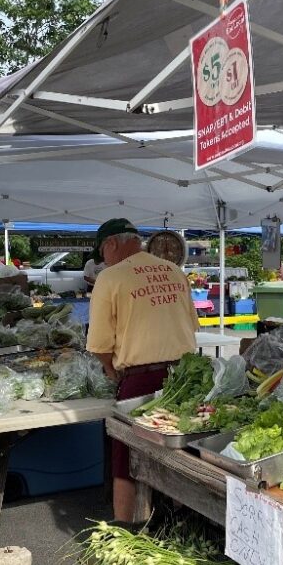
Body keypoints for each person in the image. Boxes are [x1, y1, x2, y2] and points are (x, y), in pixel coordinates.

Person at [86, 218, 198, 521]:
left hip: (140, 380)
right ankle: (180, 526)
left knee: (126, 459)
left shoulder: (111, 277)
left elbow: (98, 345)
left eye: (102, 253)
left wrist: (110, 370)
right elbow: (192, 326)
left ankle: (125, 530)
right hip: (186, 377)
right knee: (179, 455)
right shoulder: (175, 271)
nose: (103, 260)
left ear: (111, 244)